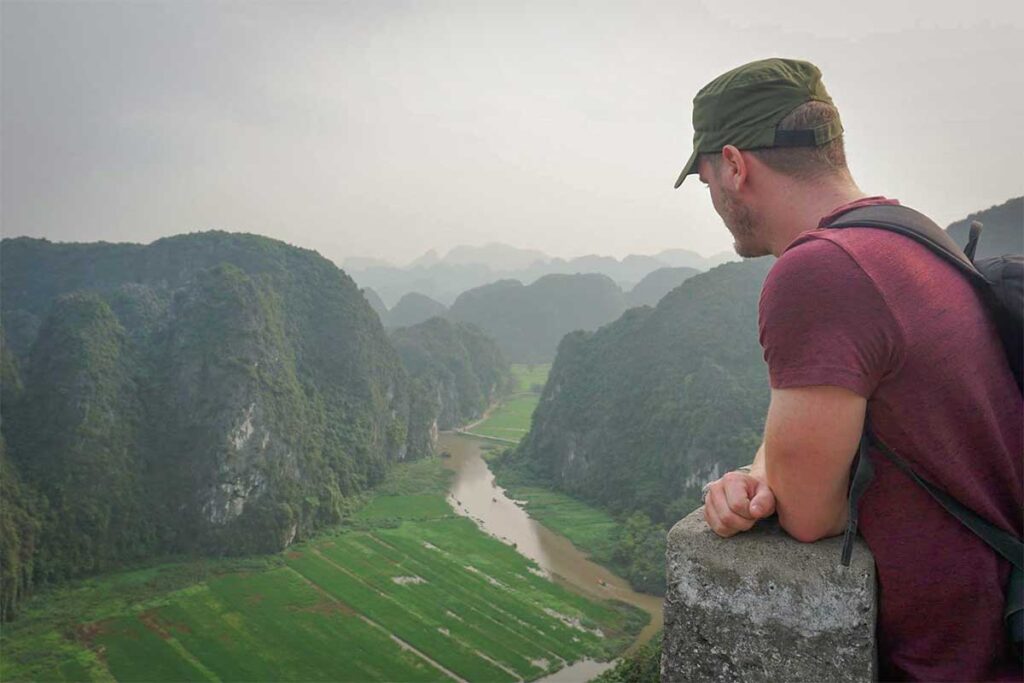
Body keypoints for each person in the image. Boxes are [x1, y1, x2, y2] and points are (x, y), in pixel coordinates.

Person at [675, 57, 1023, 681]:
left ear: (733, 165)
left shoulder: (822, 271)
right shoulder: (910, 238)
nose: (715, 202)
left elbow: (810, 517)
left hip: (956, 661)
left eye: (705, 183)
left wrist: (771, 477)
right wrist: (764, 467)